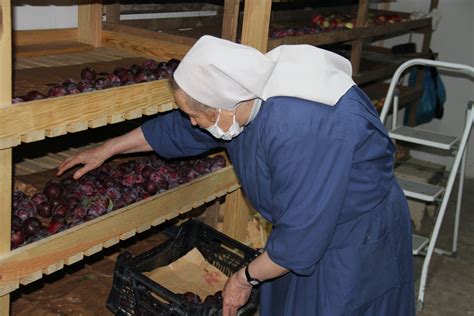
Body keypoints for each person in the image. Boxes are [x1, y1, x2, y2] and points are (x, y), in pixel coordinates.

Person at [58, 35, 414, 316]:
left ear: (223, 106)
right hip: (301, 232)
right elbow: (178, 130)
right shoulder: (238, 102)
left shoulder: (301, 126)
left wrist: (243, 278)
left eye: (195, 114)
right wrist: (107, 148)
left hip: (351, 239)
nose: (192, 122)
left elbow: (300, 242)